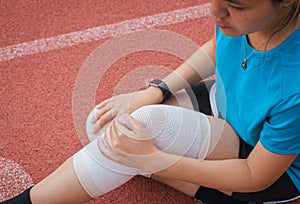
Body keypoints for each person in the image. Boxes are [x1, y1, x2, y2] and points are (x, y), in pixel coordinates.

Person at [2, 0, 300, 203]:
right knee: (103, 125)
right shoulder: (248, 18)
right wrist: (159, 90)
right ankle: (210, 187)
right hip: (225, 109)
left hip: (264, 167)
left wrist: (155, 160)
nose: (215, 12)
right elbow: (218, 46)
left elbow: (253, 174)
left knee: (144, 129)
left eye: (235, 5)